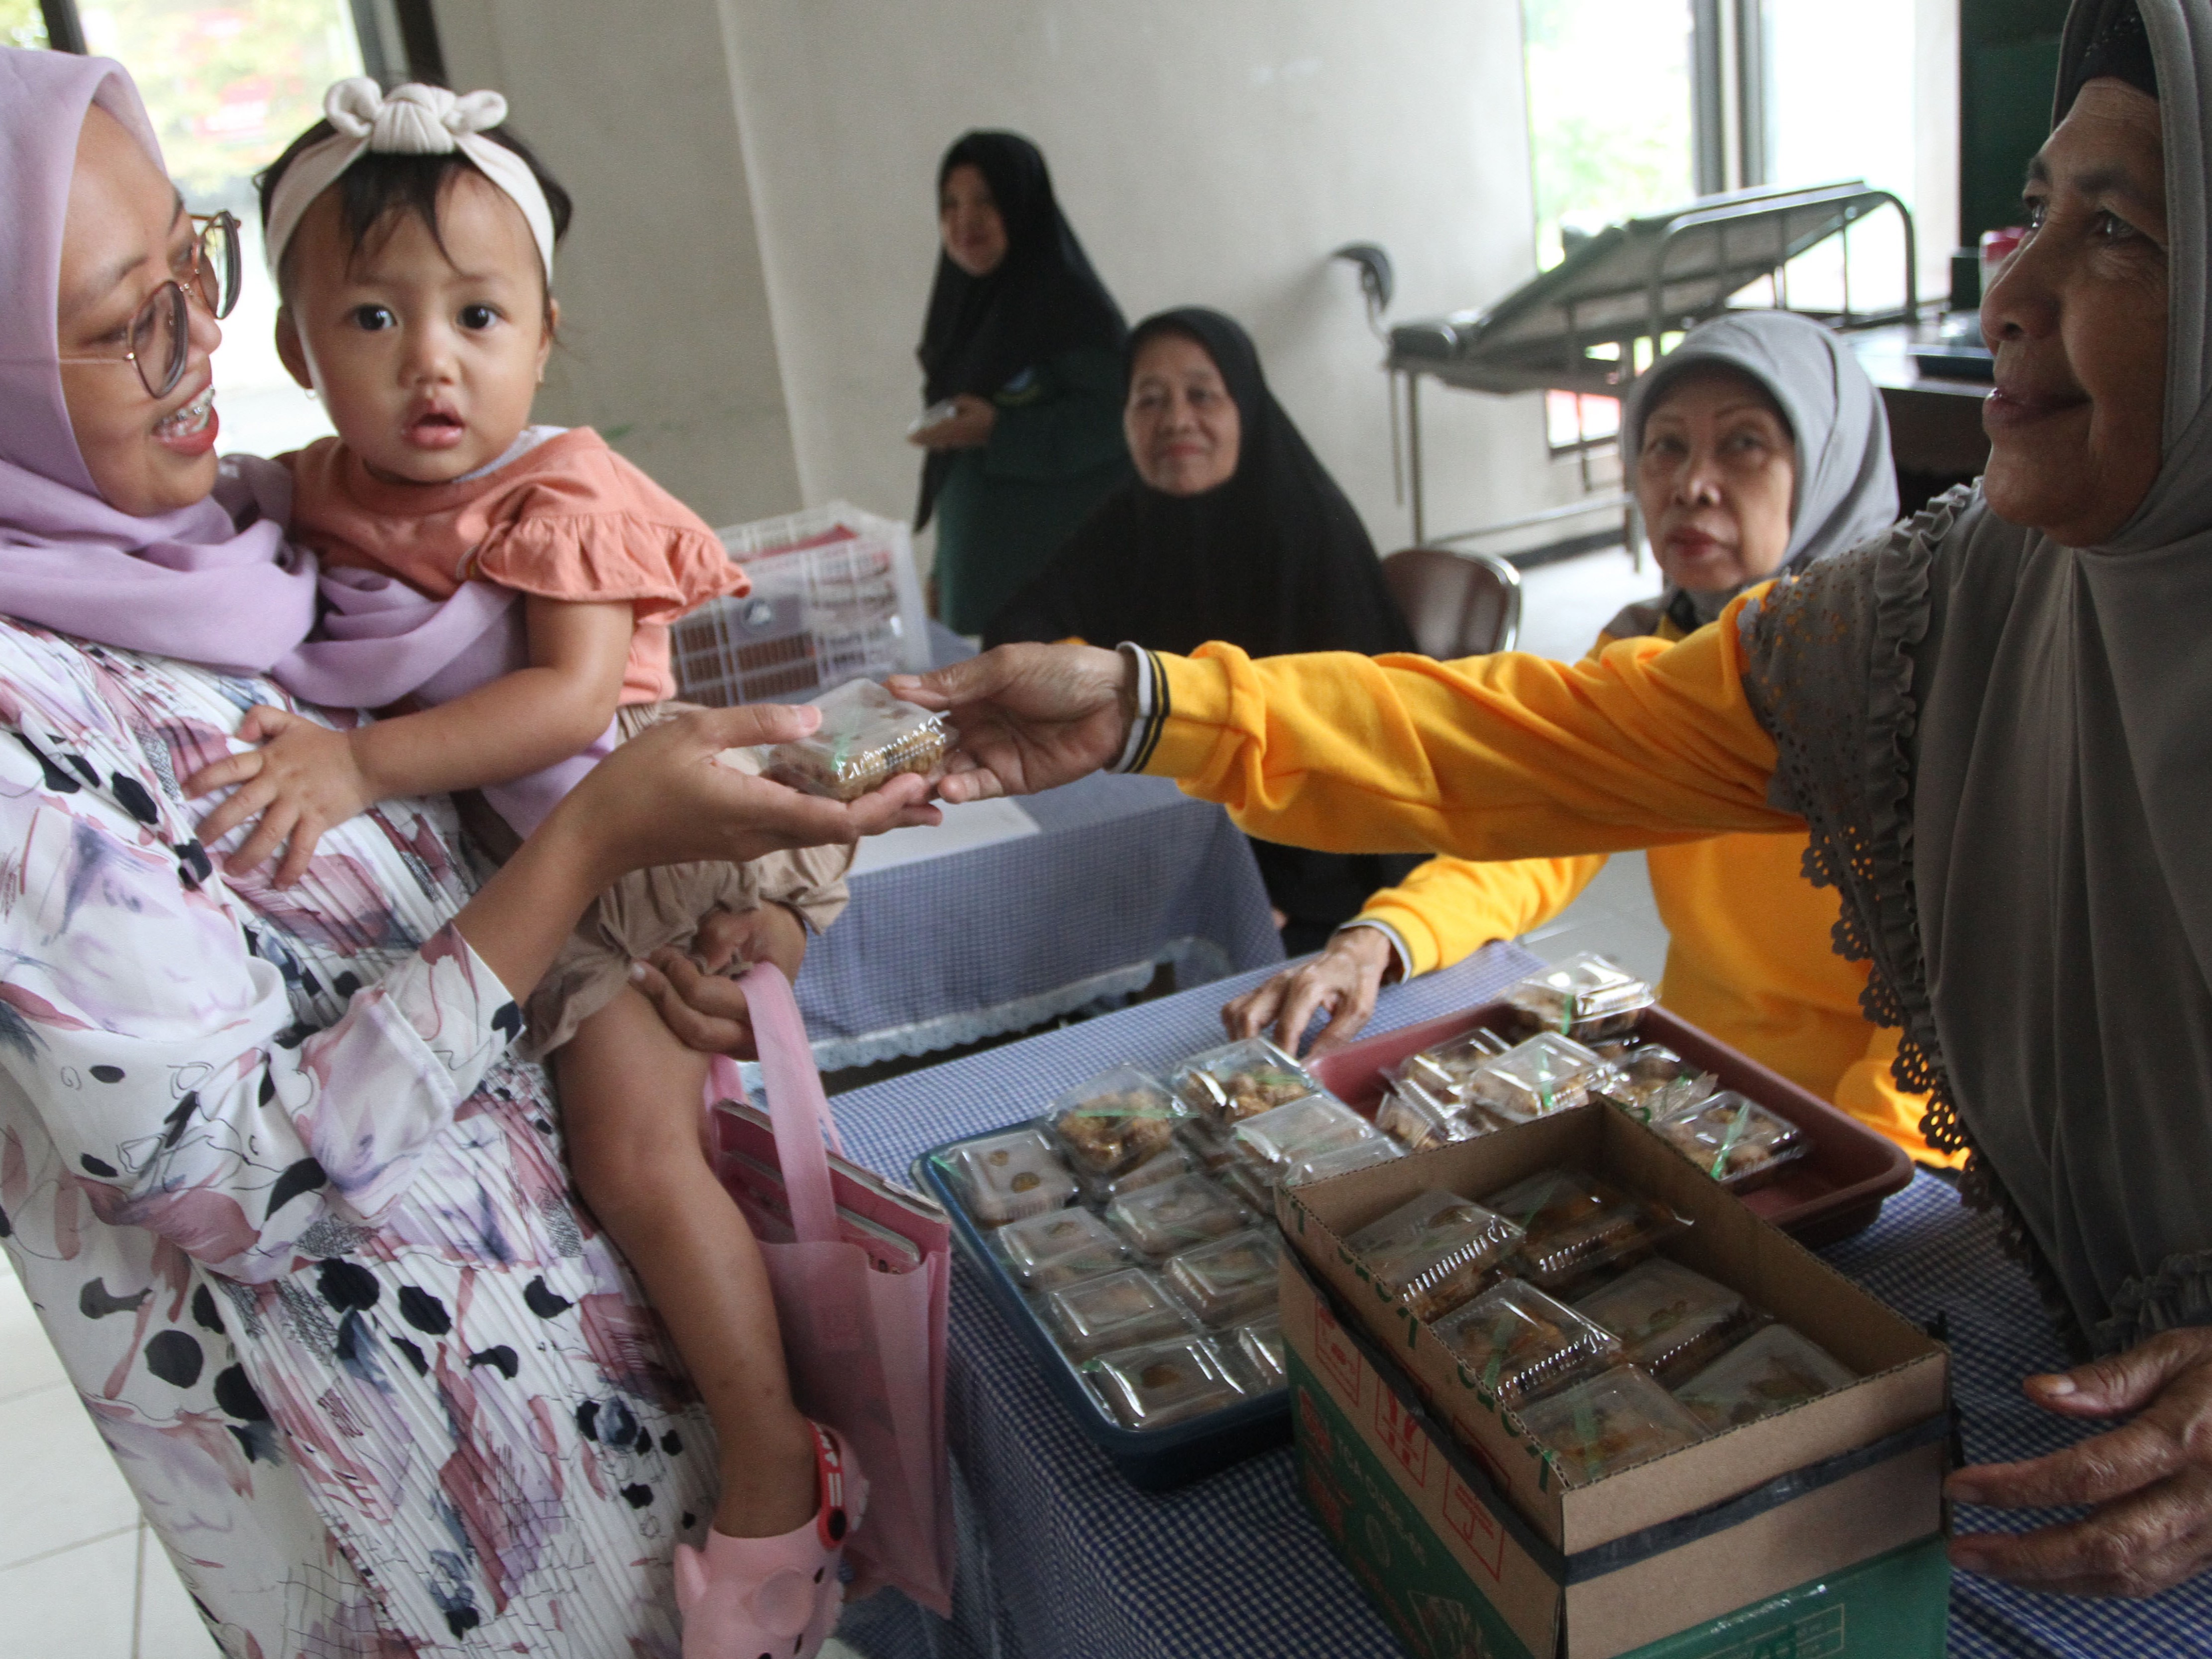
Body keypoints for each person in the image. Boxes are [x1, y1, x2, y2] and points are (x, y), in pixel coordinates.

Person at [898, 0, 2212, 1598]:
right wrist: (1143, 700)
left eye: (2121, 229)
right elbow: (1536, 746)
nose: (2006, 293)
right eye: (2036, 209)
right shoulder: (1933, 624)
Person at [0, 48, 934, 1657]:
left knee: (680, 1133)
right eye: (117, 315)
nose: (193, 342)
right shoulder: (55, 722)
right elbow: (231, 1180)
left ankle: (777, 1454)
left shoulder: (214, 534)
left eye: (190, 266)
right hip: (462, 1507)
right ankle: (782, 1461)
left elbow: (558, 736)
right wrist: (573, 869)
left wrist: (671, 915)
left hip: (617, 1338)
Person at [1222, 309, 1958, 1166]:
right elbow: (1536, 825)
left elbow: (1946, 1020)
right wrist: (1379, 940)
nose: (1690, 484)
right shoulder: (1649, 651)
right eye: (1664, 446)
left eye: (1745, 445)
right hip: (1692, 1091)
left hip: (1863, 1135)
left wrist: (1848, 1171)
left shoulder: (1907, 690)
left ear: (1828, 466)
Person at [990, 307, 1420, 951]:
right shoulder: (1130, 520)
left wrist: (1276, 886)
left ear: (1244, 405)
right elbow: (1020, 621)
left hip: (1314, 864)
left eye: (1202, 395)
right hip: (1174, 830)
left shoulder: (1308, 529)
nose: (1177, 420)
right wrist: (1079, 674)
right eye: (1150, 400)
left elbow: (1351, 736)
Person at [909, 130, 1129, 634]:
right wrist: (943, 569)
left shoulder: (1069, 308)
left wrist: (999, 430)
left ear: (1022, 204)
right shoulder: (963, 312)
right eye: (950, 204)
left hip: (1063, 599)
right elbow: (957, 467)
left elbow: (1117, 419)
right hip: (985, 591)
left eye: (986, 200)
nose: (965, 220)